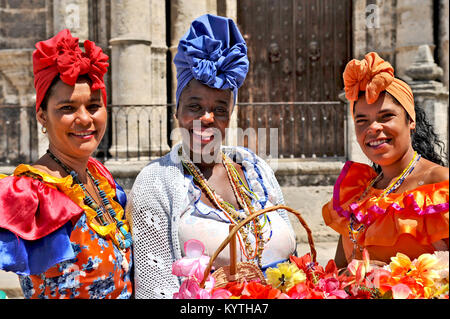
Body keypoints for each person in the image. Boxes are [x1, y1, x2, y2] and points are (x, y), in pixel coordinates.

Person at [128, 14, 297, 299]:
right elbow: (154, 291)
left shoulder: (255, 170)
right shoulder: (155, 183)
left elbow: (295, 263)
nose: (207, 118)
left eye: (219, 109)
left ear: (229, 116)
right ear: (177, 113)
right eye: (195, 106)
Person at [0, 29, 133, 299]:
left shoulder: (100, 177)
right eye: (67, 108)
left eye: (93, 106)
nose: (84, 119)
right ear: (42, 116)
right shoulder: (29, 193)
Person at [322, 52, 449, 268]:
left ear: (410, 120)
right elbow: (340, 269)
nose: (373, 128)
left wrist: (393, 279)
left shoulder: (440, 185)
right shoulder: (356, 192)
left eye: (386, 117)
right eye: (362, 120)